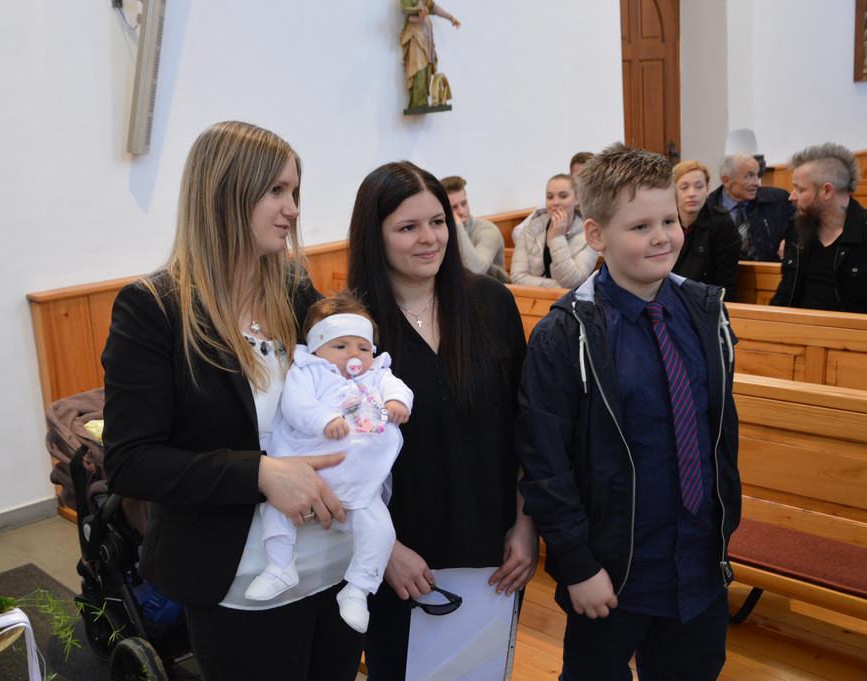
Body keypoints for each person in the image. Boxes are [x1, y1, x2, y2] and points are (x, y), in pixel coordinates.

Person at [101, 121, 363, 681]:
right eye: (275, 190)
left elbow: (350, 381)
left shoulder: (293, 290)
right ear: (225, 194)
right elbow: (130, 460)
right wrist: (260, 474)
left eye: (294, 191)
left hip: (335, 567)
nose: (292, 208)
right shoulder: (155, 309)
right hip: (241, 584)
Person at [518, 143, 742, 681]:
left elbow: (716, 434)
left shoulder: (706, 314)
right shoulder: (566, 334)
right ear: (596, 236)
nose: (662, 236)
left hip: (697, 560)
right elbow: (545, 463)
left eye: (669, 220)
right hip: (614, 569)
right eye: (640, 227)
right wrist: (578, 565)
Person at [347, 161, 538, 680]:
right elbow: (336, 459)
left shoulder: (492, 304)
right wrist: (384, 550)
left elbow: (526, 428)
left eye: (438, 222)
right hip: (400, 561)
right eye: (408, 227)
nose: (429, 238)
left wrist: (526, 525)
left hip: (495, 550)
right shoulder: (350, 330)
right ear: (374, 236)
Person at [246, 294, 414, 635]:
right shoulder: (308, 369)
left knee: (382, 531)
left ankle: (358, 590)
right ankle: (279, 566)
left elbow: (397, 386)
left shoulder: (376, 372)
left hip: (358, 477)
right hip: (306, 466)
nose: (354, 355)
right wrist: (323, 419)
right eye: (341, 346)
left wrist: (397, 401)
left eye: (363, 347)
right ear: (317, 348)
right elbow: (295, 403)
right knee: (275, 510)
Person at [771, 143, 867, 313]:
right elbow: (786, 293)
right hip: (799, 326)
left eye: (800, 189)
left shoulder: (862, 230)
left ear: (827, 191)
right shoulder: (797, 228)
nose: (791, 197)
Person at [509, 173, 598, 288]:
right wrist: (557, 287)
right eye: (550, 197)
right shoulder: (531, 228)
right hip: (531, 297)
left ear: (576, 199)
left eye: (563, 196)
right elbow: (517, 277)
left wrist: (557, 238)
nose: (556, 203)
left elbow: (573, 283)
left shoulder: (589, 234)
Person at [672, 160, 742, 301]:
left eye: (699, 187)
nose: (692, 194)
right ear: (672, 191)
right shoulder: (664, 222)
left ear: (707, 190)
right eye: (684, 187)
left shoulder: (721, 223)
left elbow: (724, 283)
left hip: (705, 302)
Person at [707, 151, 794, 261]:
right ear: (727, 180)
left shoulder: (779, 200)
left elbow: (802, 226)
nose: (756, 183)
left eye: (757, 175)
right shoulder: (707, 209)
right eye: (749, 176)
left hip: (769, 269)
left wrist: (791, 239)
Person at [512, 151, 594, 244]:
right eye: (580, 177)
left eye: (589, 178)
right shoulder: (554, 206)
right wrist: (541, 246)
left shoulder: (600, 207)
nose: (585, 183)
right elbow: (518, 232)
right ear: (570, 178)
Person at [440, 175, 510, 282]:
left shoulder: (488, 230)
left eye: (464, 203)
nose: (461, 211)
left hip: (492, 290)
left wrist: (458, 227)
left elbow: (476, 270)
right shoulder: (442, 233)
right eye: (454, 208)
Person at [400, 0, 460, 109]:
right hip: (415, 37)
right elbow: (407, 11)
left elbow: (434, 8)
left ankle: (423, 101)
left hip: (426, 38)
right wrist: (420, 13)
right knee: (418, 68)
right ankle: (418, 102)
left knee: (426, 69)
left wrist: (450, 17)